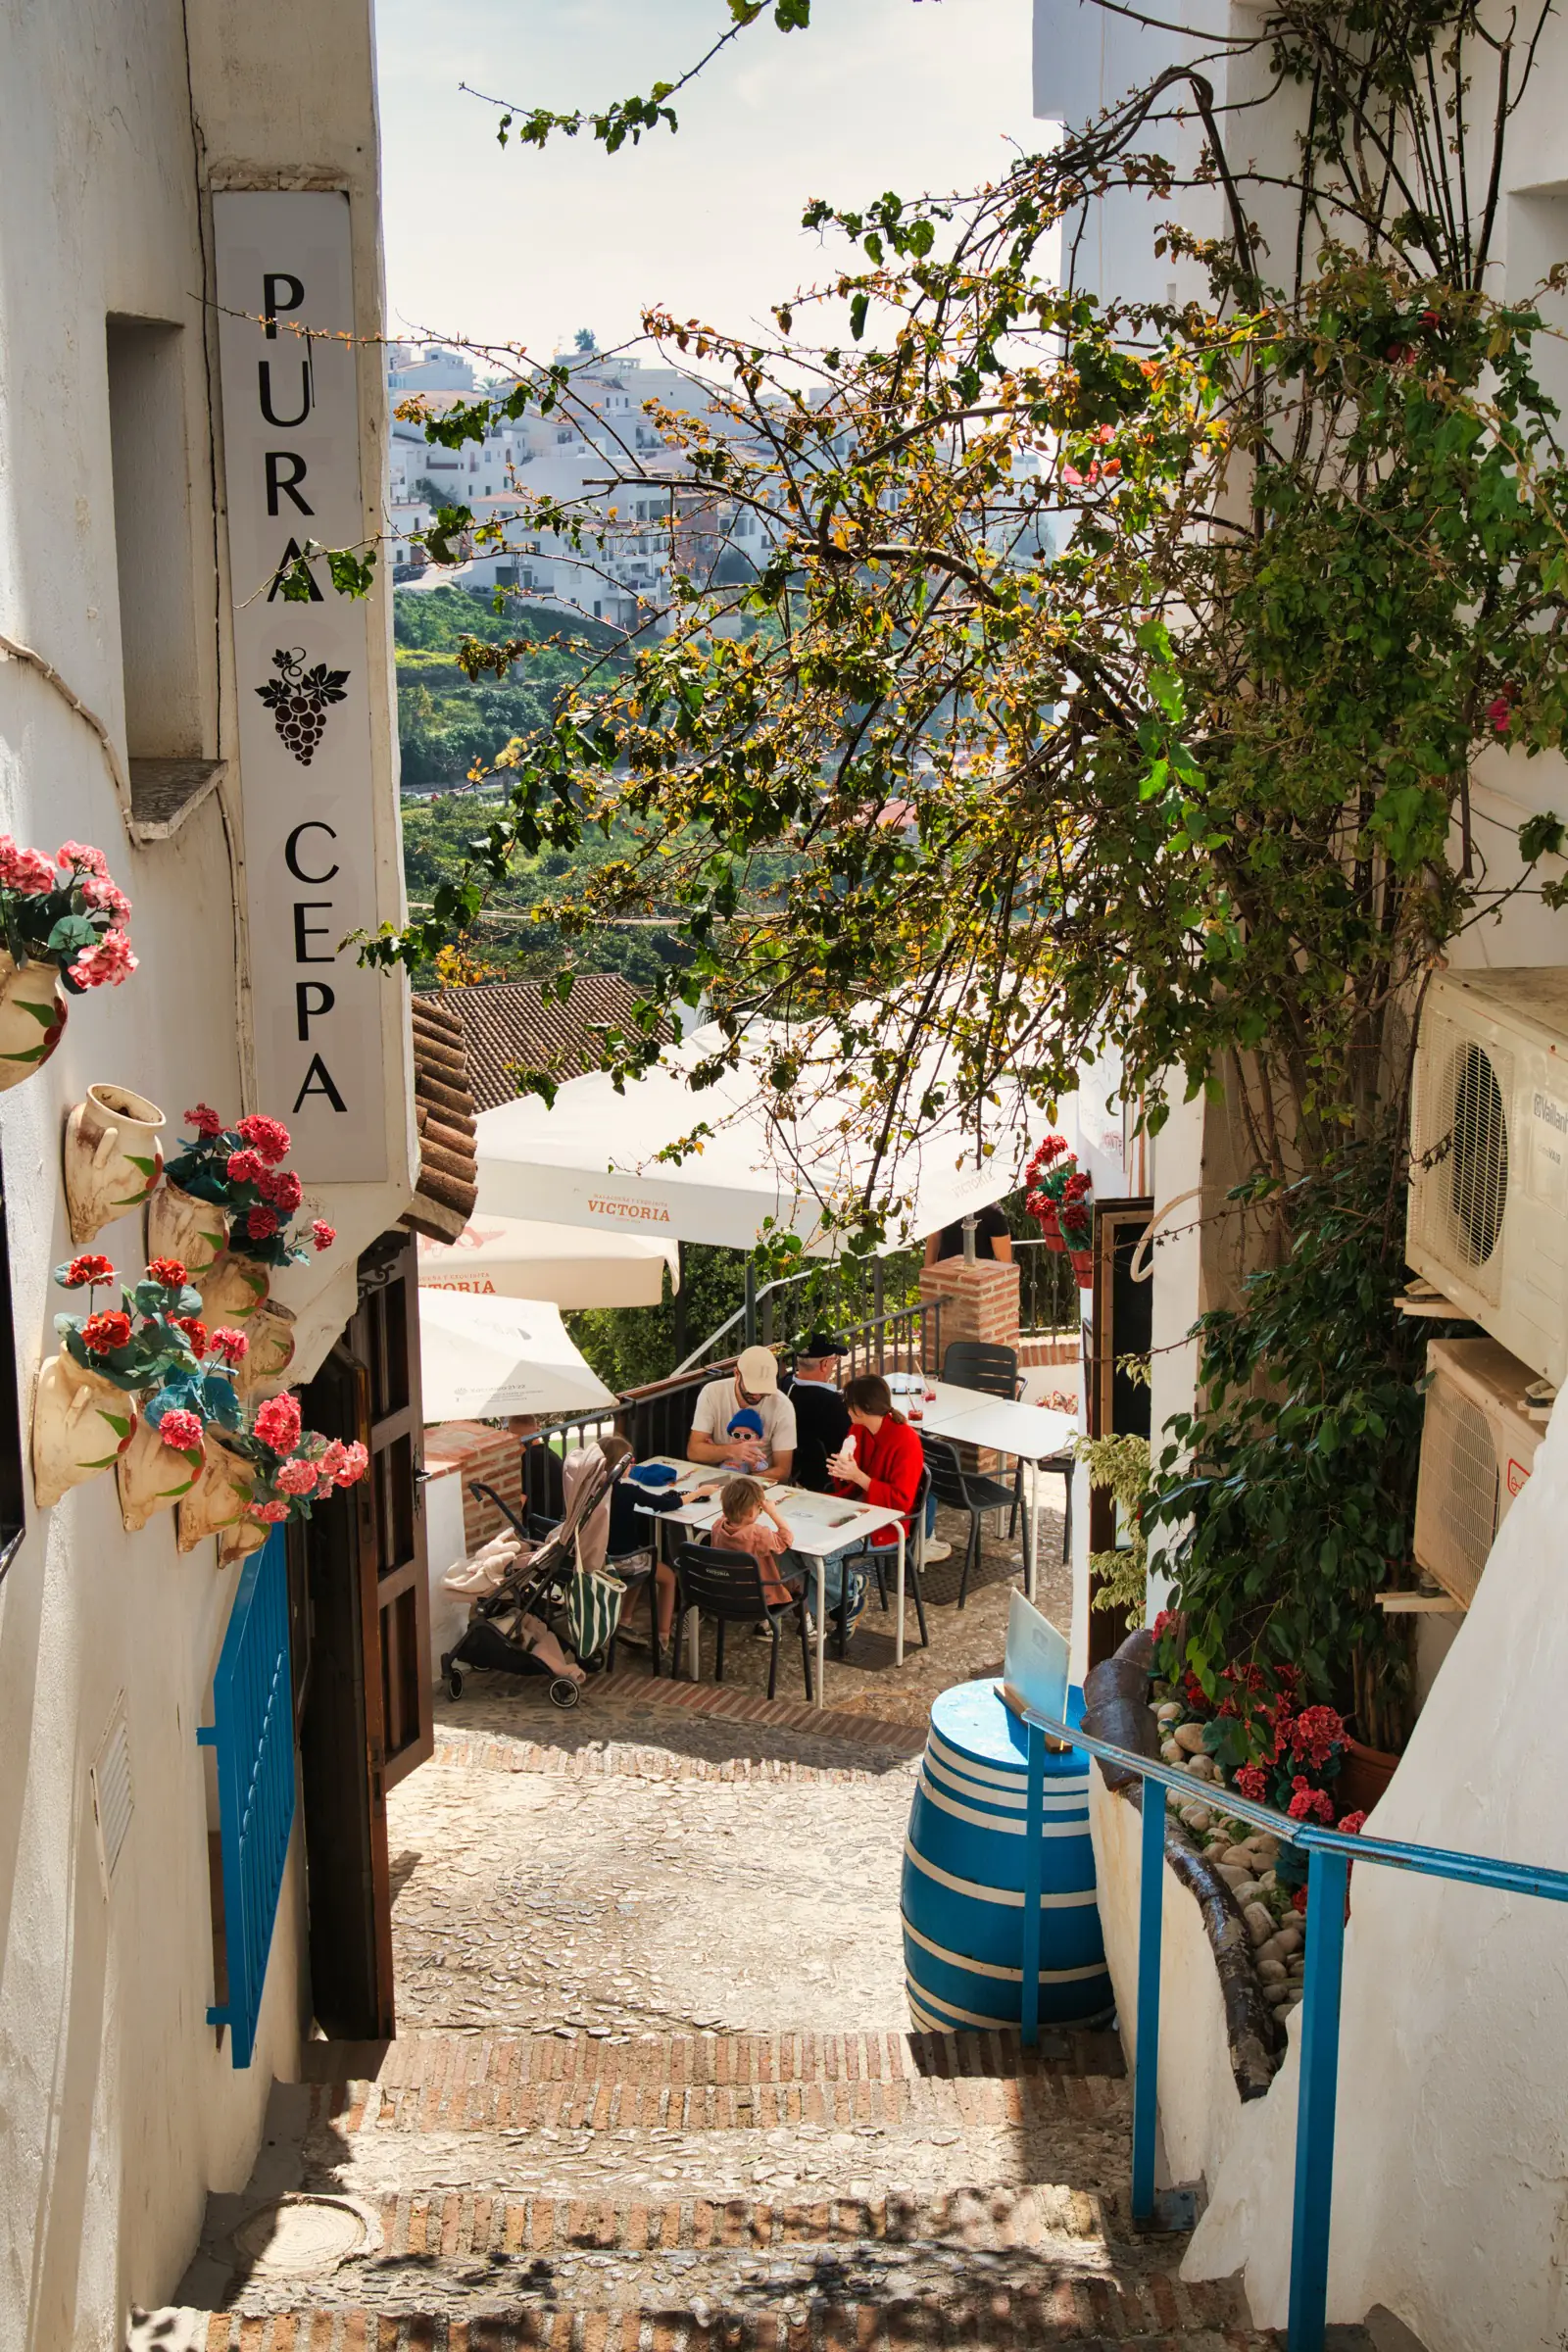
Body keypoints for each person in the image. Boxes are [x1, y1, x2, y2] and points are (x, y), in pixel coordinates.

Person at [786, 1372, 925, 1636]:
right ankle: (849, 1596)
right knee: (789, 1544)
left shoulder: (906, 1441)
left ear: (861, 1409)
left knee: (819, 1552)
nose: (845, 1408)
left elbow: (902, 1501)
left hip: (886, 1524)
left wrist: (858, 1477)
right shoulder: (858, 1429)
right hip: (854, 1508)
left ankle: (847, 1596)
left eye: (848, 1403)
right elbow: (850, 1484)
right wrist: (842, 1471)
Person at [687, 1345, 797, 1481]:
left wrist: (742, 1482)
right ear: (737, 1374)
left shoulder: (782, 1406)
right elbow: (694, 1451)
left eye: (763, 1390)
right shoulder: (712, 1392)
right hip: (713, 1480)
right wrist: (732, 1451)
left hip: (757, 1485)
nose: (757, 1395)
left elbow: (783, 1471)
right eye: (751, 1389)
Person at [709, 1475, 801, 1607]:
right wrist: (772, 1512)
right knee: (796, 1580)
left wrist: (734, 1505)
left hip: (727, 1595)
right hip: (758, 1598)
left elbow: (730, 1512)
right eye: (760, 1509)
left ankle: (765, 1625)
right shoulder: (758, 1534)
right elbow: (787, 1539)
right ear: (752, 1512)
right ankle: (807, 1625)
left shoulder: (717, 1526)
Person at [782, 1332, 851, 1491]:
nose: (835, 1364)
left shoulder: (784, 1385)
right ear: (824, 1364)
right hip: (826, 1484)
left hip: (793, 1474)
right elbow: (846, 1448)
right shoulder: (832, 1404)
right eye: (835, 1360)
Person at [923, 1202, 1014, 1265]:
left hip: (978, 1282)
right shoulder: (944, 1207)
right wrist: (927, 1277)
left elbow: (1004, 1262)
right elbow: (934, 1236)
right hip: (945, 1280)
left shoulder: (992, 1211)